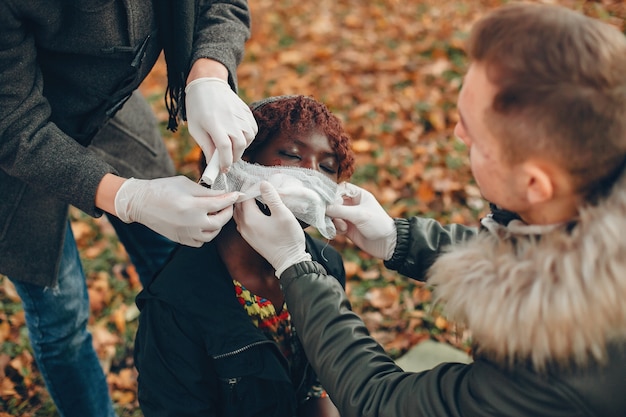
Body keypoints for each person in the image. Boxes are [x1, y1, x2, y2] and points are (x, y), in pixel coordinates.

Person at [234, 3, 626, 417]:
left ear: (535, 184)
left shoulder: (554, 377)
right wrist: (398, 239)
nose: (457, 134)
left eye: (472, 133)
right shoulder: (592, 183)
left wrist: (295, 264)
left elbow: (382, 401)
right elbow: (541, 260)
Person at [0, 1, 257, 416]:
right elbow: (11, 124)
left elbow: (220, 4)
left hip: (109, 109)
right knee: (61, 318)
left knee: (176, 265)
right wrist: (127, 197)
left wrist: (208, 74)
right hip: (14, 157)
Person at [134, 95, 356, 417]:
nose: (311, 177)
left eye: (326, 168)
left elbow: (321, 379)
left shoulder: (327, 265)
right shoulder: (175, 305)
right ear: (240, 163)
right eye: (292, 156)